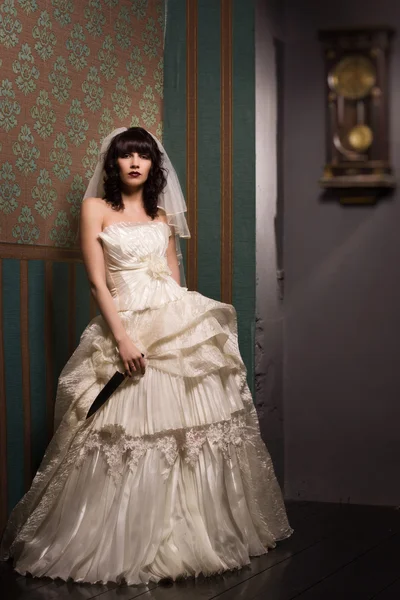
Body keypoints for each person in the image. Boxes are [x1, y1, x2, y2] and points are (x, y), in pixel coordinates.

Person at [0, 127, 292, 585]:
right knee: (122, 428)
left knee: (189, 428)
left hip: (170, 318)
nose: (134, 162)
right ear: (112, 163)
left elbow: (174, 276)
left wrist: (181, 327)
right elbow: (98, 282)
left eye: (143, 155)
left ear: (155, 164)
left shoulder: (161, 215)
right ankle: (121, 536)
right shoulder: (94, 209)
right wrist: (122, 338)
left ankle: (193, 531)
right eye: (125, 155)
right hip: (127, 321)